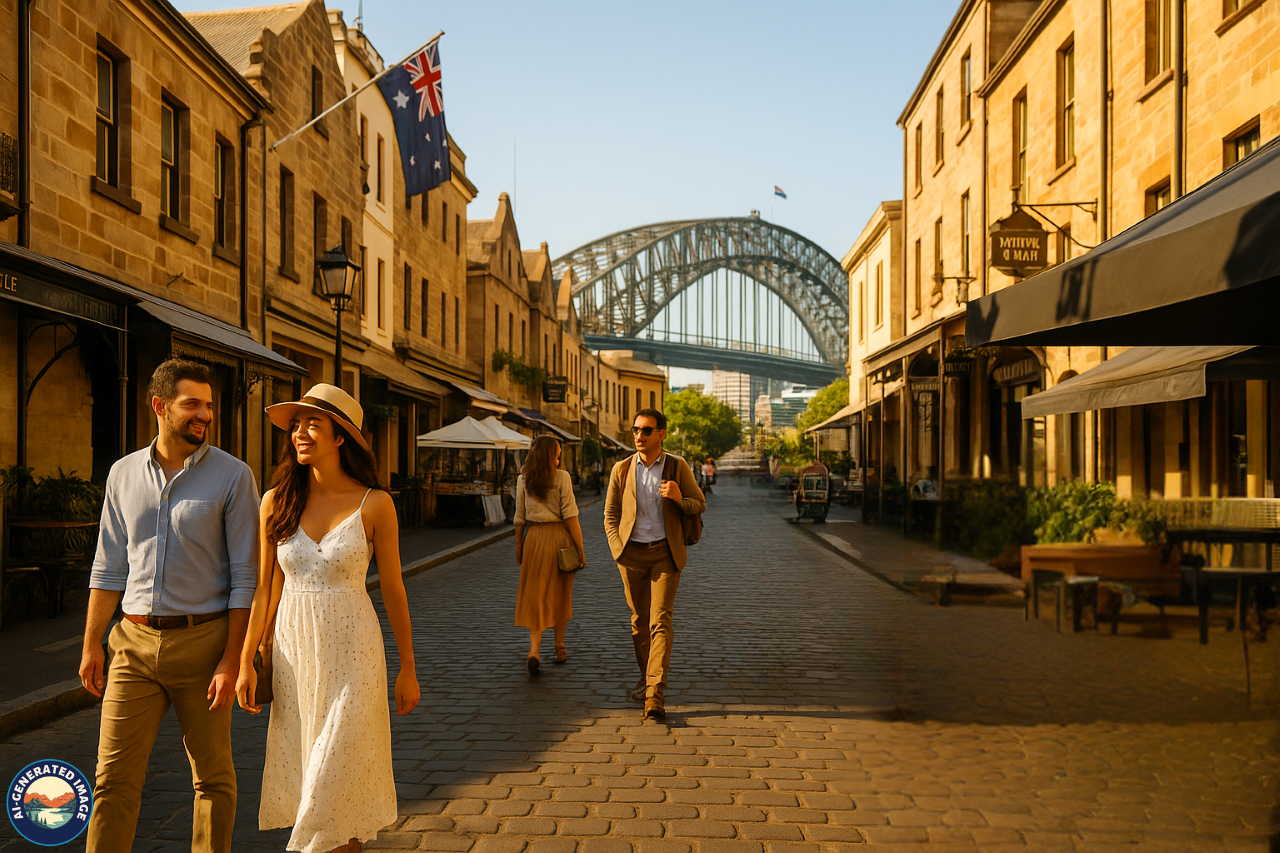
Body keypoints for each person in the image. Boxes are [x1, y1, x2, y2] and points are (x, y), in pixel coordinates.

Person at [80, 359, 259, 853]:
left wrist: (232, 659)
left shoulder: (233, 476)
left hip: (204, 644)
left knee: (212, 779)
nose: (205, 415)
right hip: (132, 644)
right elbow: (108, 566)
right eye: (192, 404)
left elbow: (246, 578)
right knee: (111, 779)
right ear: (160, 406)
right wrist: (91, 643)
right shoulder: (122, 474)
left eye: (209, 405)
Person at [236, 384, 419, 853]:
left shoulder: (375, 503)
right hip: (294, 656)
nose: (299, 432)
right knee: (332, 797)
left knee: (331, 777)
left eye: (312, 424)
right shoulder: (275, 501)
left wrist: (408, 667)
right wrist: (246, 661)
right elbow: (264, 588)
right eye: (295, 424)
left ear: (341, 437)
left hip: (355, 656)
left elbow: (394, 589)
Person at [603, 408, 705, 722]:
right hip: (630, 555)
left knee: (660, 621)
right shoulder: (621, 469)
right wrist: (617, 549)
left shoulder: (677, 466)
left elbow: (699, 502)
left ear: (661, 434)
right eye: (636, 430)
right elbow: (610, 515)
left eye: (646, 430)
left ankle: (654, 693)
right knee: (639, 622)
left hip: (665, 553)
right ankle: (646, 676)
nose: (639, 435)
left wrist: (678, 497)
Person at [513, 436, 586, 674]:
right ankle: (559, 646)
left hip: (533, 539)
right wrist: (580, 549)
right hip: (559, 539)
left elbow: (519, 518)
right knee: (561, 593)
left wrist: (518, 546)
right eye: (556, 455)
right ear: (548, 456)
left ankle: (534, 650)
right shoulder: (562, 477)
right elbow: (571, 516)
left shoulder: (523, 479)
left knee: (536, 594)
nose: (558, 460)